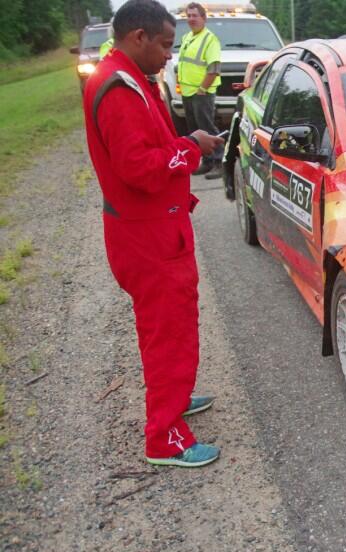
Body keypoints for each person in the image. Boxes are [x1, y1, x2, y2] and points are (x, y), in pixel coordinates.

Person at [83, 0, 224, 467]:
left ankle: (175, 398)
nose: (171, 54)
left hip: (153, 229)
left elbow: (151, 144)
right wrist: (190, 148)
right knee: (168, 332)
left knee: (170, 325)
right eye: (165, 44)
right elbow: (137, 167)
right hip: (148, 237)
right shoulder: (119, 88)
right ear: (137, 37)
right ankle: (164, 437)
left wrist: (183, 145)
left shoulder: (131, 79)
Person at [177, 2, 223, 179]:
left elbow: (214, 68)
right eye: (188, 16)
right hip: (188, 92)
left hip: (202, 92)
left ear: (203, 18)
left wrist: (203, 88)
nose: (191, 19)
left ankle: (219, 162)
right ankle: (208, 161)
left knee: (207, 127)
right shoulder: (188, 37)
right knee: (195, 129)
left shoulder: (210, 39)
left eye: (195, 15)